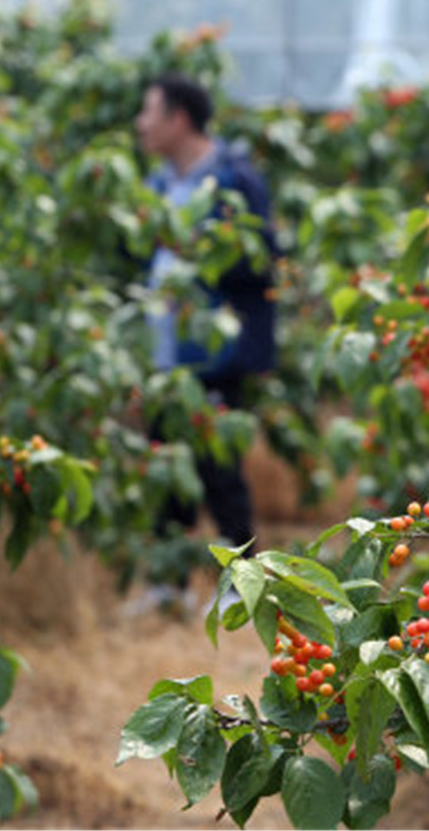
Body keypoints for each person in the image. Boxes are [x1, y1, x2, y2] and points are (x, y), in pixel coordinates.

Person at [133, 73, 277, 563]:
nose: (141, 124)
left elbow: (262, 261)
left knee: (219, 468)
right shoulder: (157, 186)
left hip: (214, 354)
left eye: (149, 112)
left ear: (179, 118)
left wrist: (202, 252)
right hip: (165, 354)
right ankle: (169, 581)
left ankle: (246, 575)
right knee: (168, 468)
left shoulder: (234, 181)